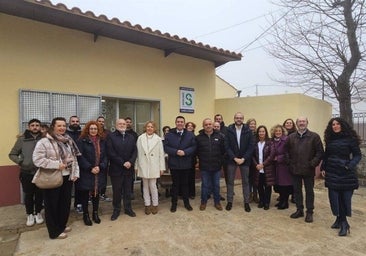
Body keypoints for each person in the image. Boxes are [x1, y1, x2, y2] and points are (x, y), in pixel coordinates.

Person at [32, 117, 80, 239]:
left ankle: (61, 225)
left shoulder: (68, 140)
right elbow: (37, 160)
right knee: (52, 205)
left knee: (64, 204)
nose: (62, 128)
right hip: (52, 178)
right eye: (59, 126)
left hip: (67, 177)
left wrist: (75, 173)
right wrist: (57, 165)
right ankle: (54, 232)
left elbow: (73, 158)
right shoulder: (44, 141)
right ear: (53, 126)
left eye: (64, 125)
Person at [321, 117, 362, 236]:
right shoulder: (330, 140)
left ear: (342, 125)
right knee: (334, 198)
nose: (335, 126)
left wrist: (349, 165)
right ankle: (339, 219)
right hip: (332, 172)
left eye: (337, 124)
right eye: (333, 124)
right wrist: (323, 167)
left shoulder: (350, 139)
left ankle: (344, 223)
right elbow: (326, 155)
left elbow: (357, 155)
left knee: (344, 199)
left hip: (346, 173)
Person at [286, 117, 323, 223]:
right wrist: (289, 163)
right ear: (296, 124)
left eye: (303, 121)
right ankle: (299, 210)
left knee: (309, 191)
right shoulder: (291, 137)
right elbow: (286, 151)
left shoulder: (314, 136)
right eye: (299, 122)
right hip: (295, 169)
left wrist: (312, 164)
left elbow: (320, 152)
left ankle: (310, 212)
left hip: (308, 170)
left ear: (307, 123)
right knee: (297, 191)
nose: (301, 123)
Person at [9, 118, 44, 226]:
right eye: (32, 125)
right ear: (29, 127)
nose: (35, 127)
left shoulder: (44, 139)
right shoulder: (22, 139)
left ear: (40, 127)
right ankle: (29, 214)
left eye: (37, 125)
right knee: (28, 195)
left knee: (39, 194)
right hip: (26, 172)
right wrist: (21, 162)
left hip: (41, 172)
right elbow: (12, 154)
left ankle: (38, 212)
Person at [76, 121, 108, 226]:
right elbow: (80, 156)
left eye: (95, 129)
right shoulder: (82, 141)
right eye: (91, 129)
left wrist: (101, 166)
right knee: (85, 194)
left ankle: (95, 213)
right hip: (87, 172)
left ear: (98, 130)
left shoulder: (102, 141)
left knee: (96, 194)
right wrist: (90, 167)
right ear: (87, 130)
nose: (93, 130)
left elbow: (106, 156)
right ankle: (86, 215)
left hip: (99, 172)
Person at [164, 115, 197, 212]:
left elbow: (194, 146)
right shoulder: (169, 134)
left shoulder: (190, 134)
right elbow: (165, 147)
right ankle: (174, 204)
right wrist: (176, 151)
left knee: (185, 184)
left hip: (186, 163)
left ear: (184, 123)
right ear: (175, 123)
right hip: (174, 163)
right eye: (178, 121)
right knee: (175, 184)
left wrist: (185, 152)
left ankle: (186, 203)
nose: (180, 123)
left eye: (182, 122)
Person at [107, 119, 137, 220]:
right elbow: (111, 152)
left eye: (124, 124)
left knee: (128, 191)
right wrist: (122, 162)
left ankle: (128, 208)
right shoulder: (111, 136)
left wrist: (130, 162)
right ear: (116, 125)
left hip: (129, 169)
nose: (122, 125)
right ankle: (116, 210)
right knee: (117, 191)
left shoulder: (131, 137)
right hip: (116, 169)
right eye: (120, 124)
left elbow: (135, 151)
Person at [225, 112, 255, 212]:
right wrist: (234, 158)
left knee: (245, 182)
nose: (239, 119)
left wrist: (243, 158)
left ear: (243, 119)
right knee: (230, 181)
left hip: (245, 160)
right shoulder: (229, 130)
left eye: (241, 118)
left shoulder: (248, 130)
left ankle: (246, 202)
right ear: (234, 119)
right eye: (237, 118)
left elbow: (251, 147)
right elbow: (227, 146)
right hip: (231, 160)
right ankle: (229, 201)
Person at [135, 121, 165, 215]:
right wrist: (136, 166)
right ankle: (147, 205)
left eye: (151, 127)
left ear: (154, 128)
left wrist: (162, 168)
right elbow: (137, 154)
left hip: (154, 165)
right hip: (143, 165)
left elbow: (161, 154)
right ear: (145, 128)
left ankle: (155, 204)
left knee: (153, 186)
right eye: (148, 126)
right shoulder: (140, 138)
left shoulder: (158, 139)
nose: (149, 128)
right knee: (145, 186)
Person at [196, 118, 226, 211]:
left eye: (210, 124)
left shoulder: (220, 136)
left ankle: (217, 202)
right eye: (206, 124)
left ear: (212, 125)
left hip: (216, 166)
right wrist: (198, 162)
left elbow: (224, 151)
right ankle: (203, 202)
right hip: (204, 166)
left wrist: (220, 161)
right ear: (203, 126)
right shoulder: (198, 138)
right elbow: (196, 152)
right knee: (205, 185)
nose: (208, 126)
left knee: (216, 185)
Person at [252, 125, 275, 210]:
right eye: (260, 131)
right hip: (258, 169)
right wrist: (256, 165)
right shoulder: (255, 143)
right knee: (259, 186)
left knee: (268, 186)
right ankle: (261, 201)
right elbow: (252, 156)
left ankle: (267, 202)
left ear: (266, 132)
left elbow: (271, 155)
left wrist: (263, 164)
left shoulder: (270, 143)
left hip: (267, 168)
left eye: (263, 131)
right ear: (258, 133)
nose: (261, 133)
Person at [271, 124, 293, 210]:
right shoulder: (272, 141)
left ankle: (285, 202)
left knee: (285, 185)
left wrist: (278, 158)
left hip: (284, 166)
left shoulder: (286, 140)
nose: (278, 132)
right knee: (278, 185)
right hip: (275, 166)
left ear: (283, 132)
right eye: (276, 131)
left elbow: (289, 153)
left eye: (279, 131)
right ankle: (281, 201)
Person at [66, 115, 83, 214]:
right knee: (67, 187)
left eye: (77, 121)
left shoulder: (83, 134)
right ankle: (66, 206)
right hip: (68, 164)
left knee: (79, 187)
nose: (75, 123)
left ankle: (78, 204)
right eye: (73, 121)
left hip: (80, 163)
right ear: (69, 123)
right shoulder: (65, 134)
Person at [96, 116, 112, 202]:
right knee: (94, 178)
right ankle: (93, 195)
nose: (101, 123)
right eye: (99, 121)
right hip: (94, 158)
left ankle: (102, 193)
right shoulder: (93, 131)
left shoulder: (108, 133)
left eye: (102, 121)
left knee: (104, 177)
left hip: (105, 158)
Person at [282, 118, 297, 204]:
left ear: (293, 125)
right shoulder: (281, 134)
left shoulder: (295, 134)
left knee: (293, 179)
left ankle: (294, 195)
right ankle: (283, 195)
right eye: (287, 123)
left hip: (292, 160)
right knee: (283, 179)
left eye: (290, 123)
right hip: (282, 160)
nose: (288, 124)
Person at [125, 117, 138, 200]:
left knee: (131, 177)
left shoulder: (134, 134)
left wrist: (132, 160)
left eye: (130, 122)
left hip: (131, 159)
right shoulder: (119, 133)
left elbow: (136, 147)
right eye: (127, 122)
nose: (128, 123)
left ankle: (130, 192)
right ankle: (123, 192)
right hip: (121, 160)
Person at [246, 118, 259, 204]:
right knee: (248, 179)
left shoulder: (258, 135)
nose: (252, 125)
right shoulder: (245, 134)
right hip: (247, 159)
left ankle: (255, 194)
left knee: (256, 178)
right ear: (248, 125)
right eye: (251, 124)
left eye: (254, 124)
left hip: (257, 160)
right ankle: (249, 195)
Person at [185, 121, 197, 199]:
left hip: (192, 159)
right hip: (184, 159)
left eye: (191, 126)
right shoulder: (183, 136)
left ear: (193, 128)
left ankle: (192, 193)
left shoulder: (195, 137)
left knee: (191, 177)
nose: (190, 127)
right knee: (185, 177)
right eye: (188, 126)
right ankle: (184, 193)